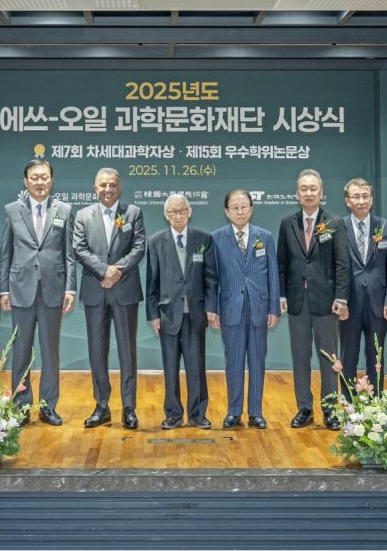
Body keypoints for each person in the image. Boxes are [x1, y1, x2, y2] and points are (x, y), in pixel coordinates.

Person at [0, 159, 76, 426]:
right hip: (21, 289)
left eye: (44, 177)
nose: (40, 182)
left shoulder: (64, 210)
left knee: (50, 351)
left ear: (51, 180)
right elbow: (6, 253)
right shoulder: (12, 210)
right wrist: (3, 289)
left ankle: (47, 406)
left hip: (53, 289)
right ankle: (21, 406)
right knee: (21, 350)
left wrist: (70, 287)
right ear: (25, 181)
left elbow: (69, 254)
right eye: (34, 177)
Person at [72, 168, 146, 429]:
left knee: (127, 352)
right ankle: (101, 406)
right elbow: (79, 249)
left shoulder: (133, 213)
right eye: (103, 185)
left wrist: (116, 272)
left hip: (124, 290)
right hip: (95, 290)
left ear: (119, 187)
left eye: (112, 185)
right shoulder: (82, 215)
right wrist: (104, 271)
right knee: (97, 351)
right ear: (95, 187)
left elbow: (139, 247)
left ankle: (129, 408)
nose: (107, 189)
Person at [276, 170, 350, 430]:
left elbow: (342, 263)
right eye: (304, 189)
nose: (308, 193)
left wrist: (341, 297)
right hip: (297, 301)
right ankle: (304, 408)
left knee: (328, 357)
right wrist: (281, 295)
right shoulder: (287, 223)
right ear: (297, 194)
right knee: (300, 356)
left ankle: (330, 409)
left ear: (321, 192)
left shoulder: (334, 222)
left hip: (326, 301)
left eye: (313, 188)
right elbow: (281, 264)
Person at [145, 194, 218, 430]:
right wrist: (153, 314)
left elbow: (211, 277)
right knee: (170, 368)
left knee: (196, 367)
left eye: (181, 211)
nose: (178, 216)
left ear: (189, 211)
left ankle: (198, 415)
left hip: (195, 314)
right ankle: (173, 414)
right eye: (173, 212)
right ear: (166, 215)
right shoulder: (156, 242)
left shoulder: (203, 239)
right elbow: (152, 281)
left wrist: (211, 307)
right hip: (168, 314)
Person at [208, 189, 280, 429]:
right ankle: (234, 411)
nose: (240, 212)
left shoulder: (265, 237)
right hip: (230, 308)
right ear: (226, 211)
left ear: (251, 209)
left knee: (258, 361)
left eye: (244, 207)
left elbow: (273, 275)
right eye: (235, 208)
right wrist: (213, 308)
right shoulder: (217, 238)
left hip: (259, 307)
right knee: (234, 361)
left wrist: (273, 308)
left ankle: (256, 412)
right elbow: (212, 277)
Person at [341, 178, 387, 397]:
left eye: (365, 196)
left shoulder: (385, 227)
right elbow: (335, 268)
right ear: (347, 201)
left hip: (378, 303)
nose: (361, 201)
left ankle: (375, 403)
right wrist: (339, 300)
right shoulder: (339, 227)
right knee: (348, 356)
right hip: (349, 303)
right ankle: (348, 402)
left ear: (371, 199)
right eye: (356, 196)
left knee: (376, 356)